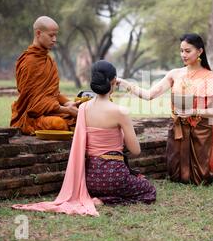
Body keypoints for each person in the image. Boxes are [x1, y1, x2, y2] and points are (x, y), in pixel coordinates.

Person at [12, 60, 156, 216]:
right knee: (148, 190)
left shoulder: (84, 108)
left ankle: (101, 197)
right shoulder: (120, 111)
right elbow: (135, 150)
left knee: (127, 182)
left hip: (89, 180)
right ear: (114, 81)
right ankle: (107, 200)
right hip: (114, 176)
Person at [118, 33, 213, 185]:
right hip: (178, 127)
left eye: (188, 51)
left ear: (200, 51)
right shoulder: (175, 74)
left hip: (200, 130)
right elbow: (149, 95)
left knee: (200, 178)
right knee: (177, 177)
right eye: (181, 50)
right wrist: (124, 83)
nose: (183, 54)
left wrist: (193, 112)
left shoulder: (209, 77)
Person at [10, 16, 79, 135]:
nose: (54, 39)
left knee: (84, 118)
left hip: (51, 110)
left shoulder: (49, 61)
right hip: (31, 117)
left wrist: (69, 103)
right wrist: (66, 110)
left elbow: (53, 93)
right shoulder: (29, 62)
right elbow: (33, 103)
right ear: (38, 33)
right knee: (58, 124)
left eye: (56, 35)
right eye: (51, 35)